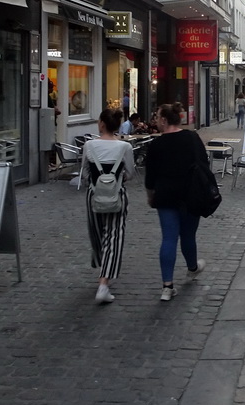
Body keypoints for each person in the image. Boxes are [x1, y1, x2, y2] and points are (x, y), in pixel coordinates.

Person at [144, 104, 208, 302]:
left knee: (169, 239)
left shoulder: (156, 145)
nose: (155, 120)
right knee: (188, 235)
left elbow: (150, 176)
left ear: (164, 120)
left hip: (165, 196)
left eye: (156, 117)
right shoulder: (192, 138)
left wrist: (150, 195)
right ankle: (192, 268)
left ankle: (167, 286)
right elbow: (203, 163)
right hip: (191, 194)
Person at [80, 108, 136, 304]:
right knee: (114, 236)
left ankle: (102, 271)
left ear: (101, 124)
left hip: (93, 195)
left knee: (97, 233)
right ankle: (104, 282)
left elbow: (85, 174)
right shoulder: (124, 147)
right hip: (117, 195)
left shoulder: (89, 145)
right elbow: (130, 173)